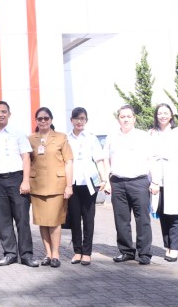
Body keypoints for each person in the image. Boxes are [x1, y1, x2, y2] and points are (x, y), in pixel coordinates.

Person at [0, 101, 38, 268]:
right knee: (3, 220)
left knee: (22, 218)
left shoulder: (18, 134)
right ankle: (9, 253)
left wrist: (26, 181)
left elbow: (26, 158)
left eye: (4, 111)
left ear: (9, 114)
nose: (1, 114)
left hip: (17, 180)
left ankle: (26, 255)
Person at [104, 105, 153, 265]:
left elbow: (151, 159)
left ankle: (144, 253)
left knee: (143, 219)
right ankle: (126, 251)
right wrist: (106, 180)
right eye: (122, 116)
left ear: (134, 118)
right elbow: (105, 160)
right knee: (121, 219)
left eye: (128, 116)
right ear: (118, 119)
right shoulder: (112, 137)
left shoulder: (143, 136)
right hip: (117, 182)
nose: (125, 119)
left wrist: (154, 181)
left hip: (139, 182)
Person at [27, 107, 73, 268]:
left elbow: (69, 161)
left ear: (51, 120)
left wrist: (69, 185)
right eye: (40, 118)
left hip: (57, 185)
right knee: (42, 221)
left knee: (54, 221)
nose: (43, 121)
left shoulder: (61, 137)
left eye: (46, 118)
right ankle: (47, 254)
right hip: (37, 185)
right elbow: (27, 162)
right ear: (36, 121)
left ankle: (56, 254)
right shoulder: (31, 139)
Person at [148, 103, 178, 262]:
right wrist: (151, 180)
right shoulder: (151, 133)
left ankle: (174, 247)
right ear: (156, 116)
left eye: (166, 113)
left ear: (171, 115)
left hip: (174, 177)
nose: (163, 116)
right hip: (157, 179)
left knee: (173, 214)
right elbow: (148, 157)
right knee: (161, 213)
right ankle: (167, 245)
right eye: (160, 113)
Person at [65, 107, 106, 266]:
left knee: (88, 218)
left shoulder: (91, 138)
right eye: (76, 118)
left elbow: (99, 160)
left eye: (82, 118)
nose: (79, 121)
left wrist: (104, 179)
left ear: (86, 121)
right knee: (75, 218)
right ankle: (77, 251)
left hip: (89, 183)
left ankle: (87, 252)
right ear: (71, 120)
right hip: (72, 183)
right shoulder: (66, 138)